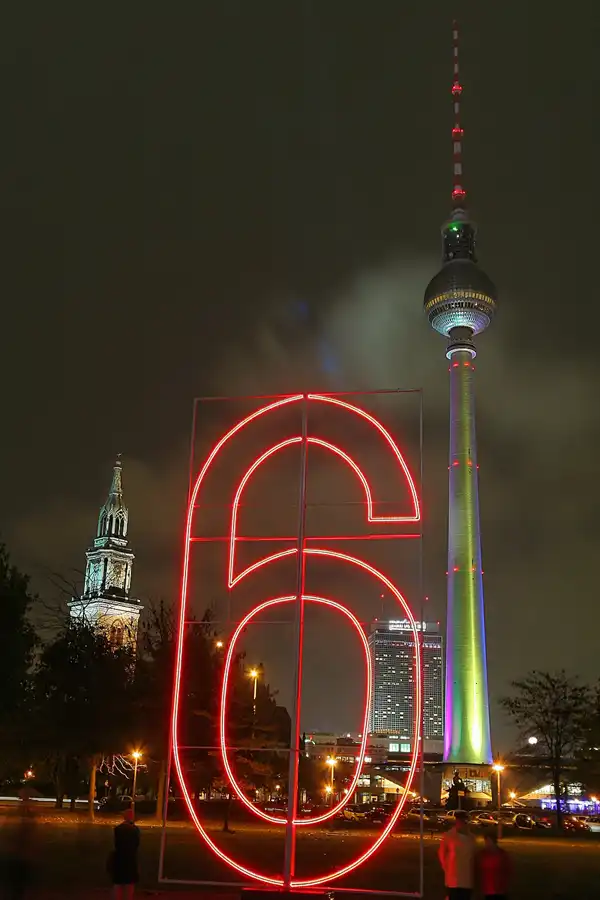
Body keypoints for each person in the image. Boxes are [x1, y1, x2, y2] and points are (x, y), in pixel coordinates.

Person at [438, 810, 476, 900]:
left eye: (464, 821)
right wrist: (447, 868)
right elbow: (442, 854)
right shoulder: (449, 836)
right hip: (453, 878)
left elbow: (473, 856)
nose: (462, 823)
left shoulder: (471, 838)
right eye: (459, 820)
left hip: (467, 878)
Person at [108, 809, 140, 900]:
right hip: (130, 860)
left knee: (118, 884)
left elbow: (116, 844)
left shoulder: (118, 829)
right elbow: (136, 844)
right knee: (129, 886)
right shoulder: (134, 830)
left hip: (119, 859)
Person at [477, 830, 511, 900]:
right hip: (487, 889)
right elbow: (478, 871)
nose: (487, 844)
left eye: (489, 841)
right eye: (486, 841)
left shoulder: (502, 854)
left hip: (499, 889)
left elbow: (508, 870)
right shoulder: (482, 854)